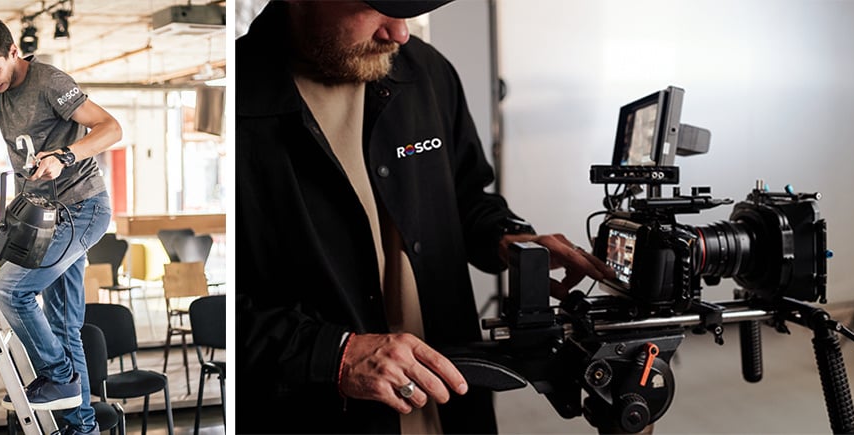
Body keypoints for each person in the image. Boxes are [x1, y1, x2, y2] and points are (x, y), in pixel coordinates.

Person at [236, 0, 615, 433]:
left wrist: (508, 238)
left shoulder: (426, 73)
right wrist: (337, 354)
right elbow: (227, 311)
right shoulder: (239, 99)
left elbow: (467, 195)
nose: (398, 33)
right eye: (379, 8)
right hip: (318, 412)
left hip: (450, 400)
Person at [0, 15, 121, 435]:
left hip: (82, 209)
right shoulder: (1, 93)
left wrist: (64, 155)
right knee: (66, 326)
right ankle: (81, 427)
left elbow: (110, 128)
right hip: (44, 220)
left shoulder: (49, 82)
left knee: (9, 288)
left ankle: (60, 377)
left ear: (14, 51)